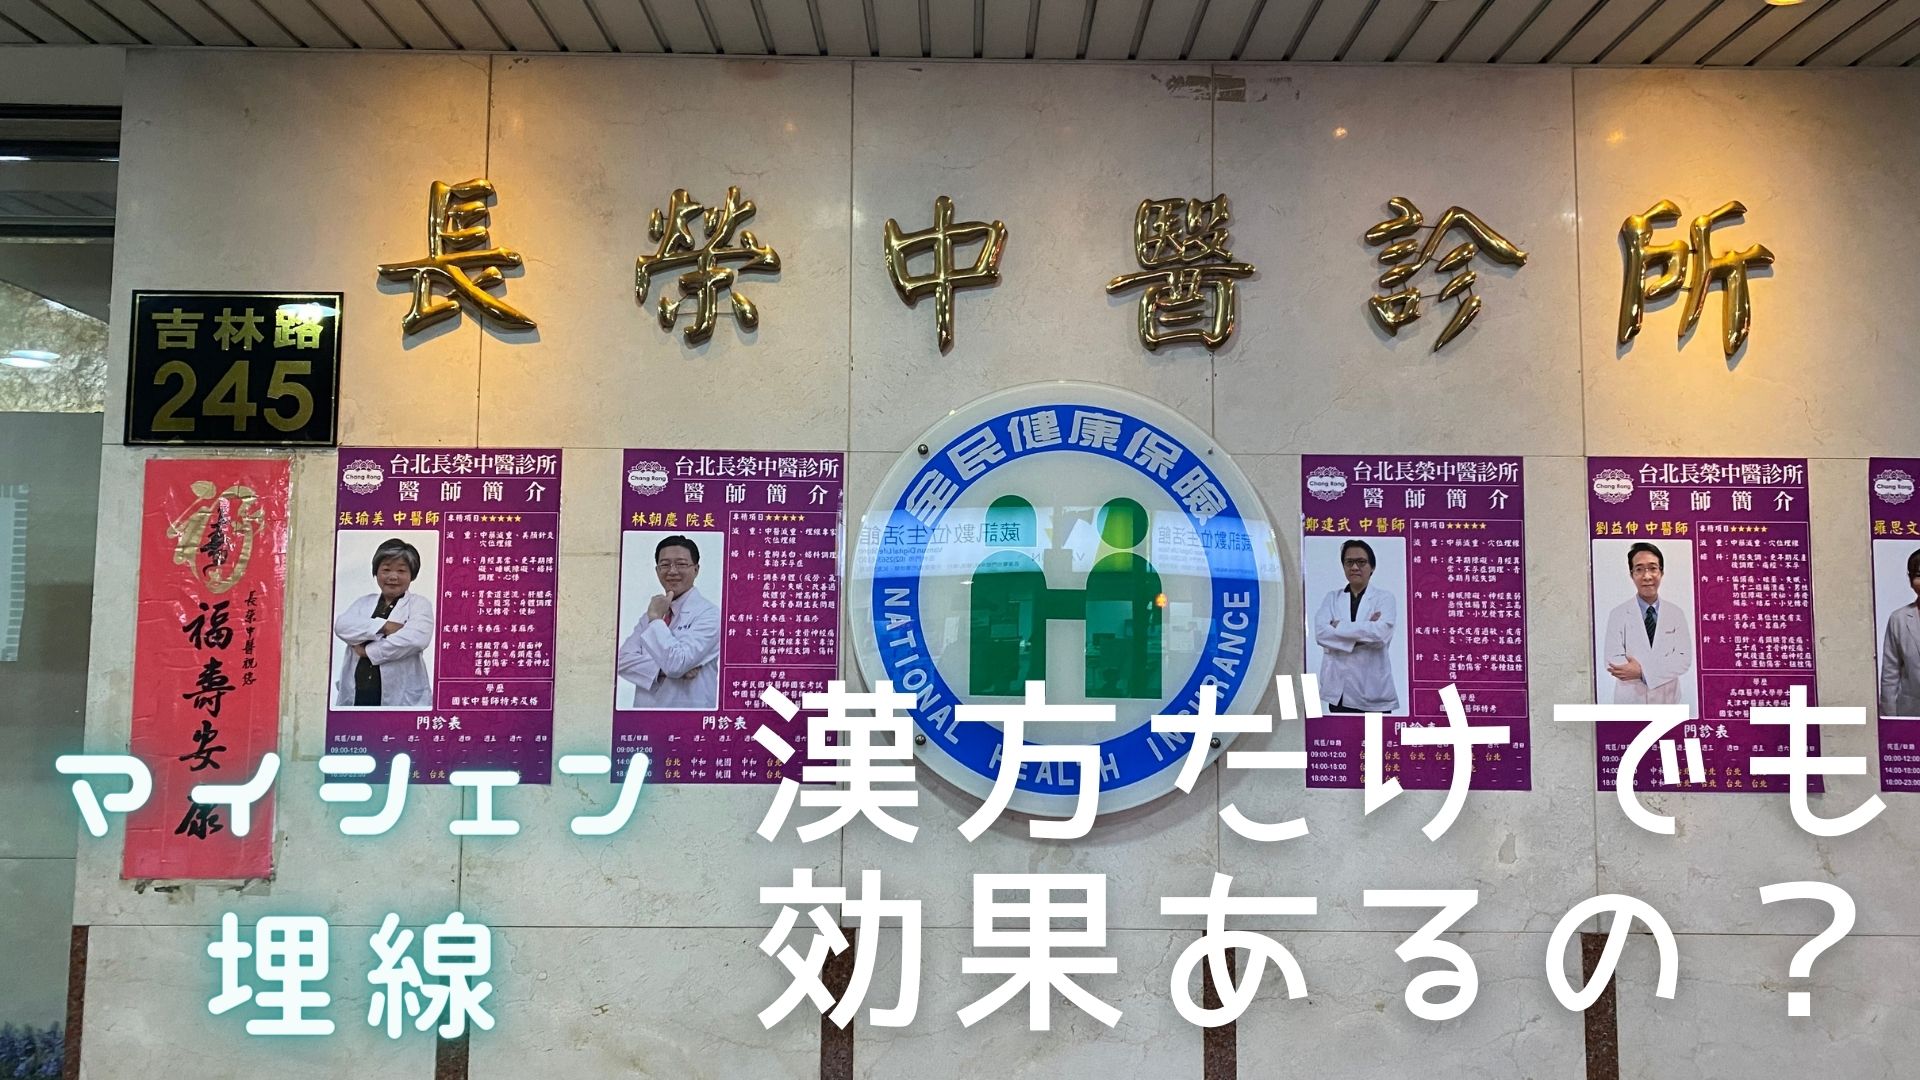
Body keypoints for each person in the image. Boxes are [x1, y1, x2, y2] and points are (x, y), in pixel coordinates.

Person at [617, 535, 720, 709]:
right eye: (665, 565)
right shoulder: (652, 614)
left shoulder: (710, 615)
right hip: (645, 716)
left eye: (681, 564)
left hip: (689, 715)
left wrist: (656, 620)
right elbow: (621, 661)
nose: (672, 571)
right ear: (657, 570)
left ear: (696, 569)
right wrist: (660, 671)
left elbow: (677, 663)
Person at [333, 537, 434, 708]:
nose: (393, 577)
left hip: (401, 697)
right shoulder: (363, 602)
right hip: (358, 693)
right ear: (376, 572)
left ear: (412, 575)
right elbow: (342, 626)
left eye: (401, 571)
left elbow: (416, 640)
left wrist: (368, 651)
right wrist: (385, 627)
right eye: (386, 570)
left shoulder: (419, 604)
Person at [1601, 541, 1694, 706]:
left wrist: (1642, 672)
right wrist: (1660, 668)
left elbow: (1683, 659)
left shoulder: (1676, 613)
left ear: (1661, 572)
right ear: (1631, 574)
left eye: (1653, 568)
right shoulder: (1618, 614)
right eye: (1639, 569)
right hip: (1630, 701)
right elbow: (1613, 659)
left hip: (1668, 700)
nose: (1647, 576)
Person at [1313, 538, 1400, 713]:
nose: (1354, 567)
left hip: (1374, 692)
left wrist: (1339, 627)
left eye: (1361, 562)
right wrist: (1365, 631)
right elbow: (1321, 634)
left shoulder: (1384, 598)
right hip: (1339, 692)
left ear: (1372, 567)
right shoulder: (1332, 598)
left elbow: (1380, 634)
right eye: (1349, 562)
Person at [1879, 548, 1920, 718]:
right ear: (1910, 579)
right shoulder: (1899, 618)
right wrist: (1890, 718)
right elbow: (1890, 673)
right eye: (1919, 575)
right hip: (1912, 712)